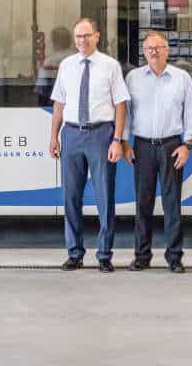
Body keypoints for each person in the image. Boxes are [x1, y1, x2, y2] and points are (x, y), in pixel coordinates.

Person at [49, 18, 129, 274]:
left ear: (97, 36)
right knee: (71, 197)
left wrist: (117, 139)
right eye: (78, 37)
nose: (82, 41)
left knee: (105, 197)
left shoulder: (110, 66)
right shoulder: (66, 66)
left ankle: (104, 255)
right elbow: (59, 104)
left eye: (86, 36)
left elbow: (120, 105)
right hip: (71, 134)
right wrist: (54, 136)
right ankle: (75, 253)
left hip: (101, 135)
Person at [122, 31, 192, 273]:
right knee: (142, 204)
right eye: (149, 48)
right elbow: (123, 111)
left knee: (172, 204)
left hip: (172, 146)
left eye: (159, 48)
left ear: (168, 50)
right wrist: (124, 142)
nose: (154, 52)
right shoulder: (133, 78)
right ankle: (141, 256)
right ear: (143, 52)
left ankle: (174, 257)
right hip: (142, 147)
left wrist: (187, 145)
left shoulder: (181, 77)